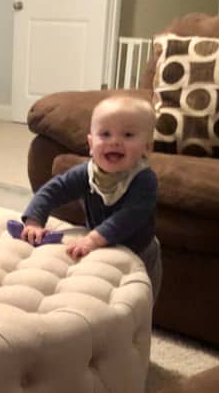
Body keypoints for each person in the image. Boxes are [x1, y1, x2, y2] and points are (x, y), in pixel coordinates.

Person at [18, 92, 162, 300]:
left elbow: (129, 217)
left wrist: (93, 239)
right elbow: (52, 190)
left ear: (147, 148)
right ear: (91, 143)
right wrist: (34, 220)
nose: (115, 142)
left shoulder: (144, 180)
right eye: (105, 134)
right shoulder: (87, 173)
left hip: (140, 251)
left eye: (128, 135)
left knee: (138, 302)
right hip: (101, 247)